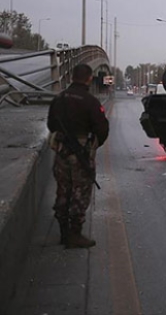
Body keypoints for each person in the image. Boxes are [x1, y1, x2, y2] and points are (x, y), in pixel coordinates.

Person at [47, 64, 109, 248]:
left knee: (63, 190)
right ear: (89, 78)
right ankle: (75, 234)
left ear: (72, 77)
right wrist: (92, 145)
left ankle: (63, 232)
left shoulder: (59, 98)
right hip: (81, 153)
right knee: (80, 192)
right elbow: (102, 128)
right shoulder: (90, 101)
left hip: (61, 152)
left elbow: (51, 124)